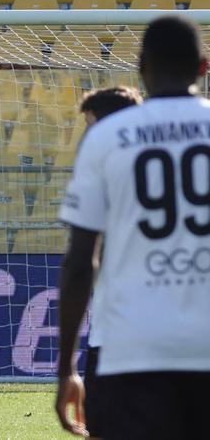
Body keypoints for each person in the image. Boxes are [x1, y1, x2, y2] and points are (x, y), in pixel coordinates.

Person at [56, 15, 210, 439]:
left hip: (131, 354)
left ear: (141, 67)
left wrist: (66, 368)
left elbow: (79, 262)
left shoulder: (106, 137)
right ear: (204, 66)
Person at [75, 86, 143, 440]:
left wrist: (63, 368)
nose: (87, 136)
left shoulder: (105, 177)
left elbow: (80, 262)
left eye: (92, 126)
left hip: (116, 335)